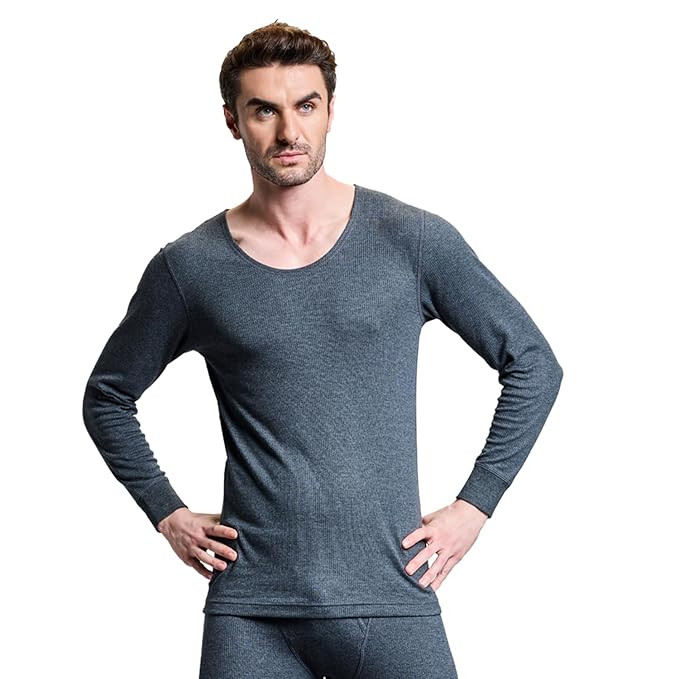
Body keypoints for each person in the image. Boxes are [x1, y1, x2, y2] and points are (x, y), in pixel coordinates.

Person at [82, 20, 563, 679]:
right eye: (264, 110)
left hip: (391, 597)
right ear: (232, 121)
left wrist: (475, 504)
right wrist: (166, 512)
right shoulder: (190, 268)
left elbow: (532, 363)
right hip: (252, 613)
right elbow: (107, 395)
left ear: (331, 110)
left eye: (305, 105)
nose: (289, 132)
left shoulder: (411, 241)